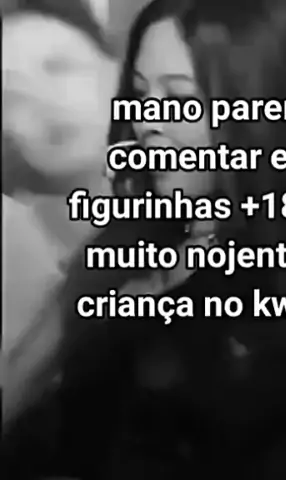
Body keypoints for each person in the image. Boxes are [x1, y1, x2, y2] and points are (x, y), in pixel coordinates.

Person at [4, 0, 286, 479]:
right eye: (139, 92)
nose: (147, 121)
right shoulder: (124, 242)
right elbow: (18, 385)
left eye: (179, 96)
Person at [2, 0, 118, 428]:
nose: (43, 102)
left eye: (59, 68)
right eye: (11, 95)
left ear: (118, 70)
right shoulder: (15, 249)